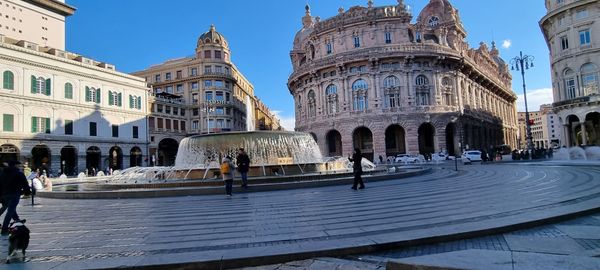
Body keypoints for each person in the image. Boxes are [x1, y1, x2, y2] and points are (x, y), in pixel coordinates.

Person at [0, 161, 31, 235]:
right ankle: (4, 229)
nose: (20, 166)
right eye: (19, 165)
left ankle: (17, 220)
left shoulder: (3, 173)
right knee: (10, 211)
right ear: (16, 165)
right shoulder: (19, 173)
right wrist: (27, 192)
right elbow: (25, 183)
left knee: (10, 208)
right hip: (14, 193)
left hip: (4, 194)